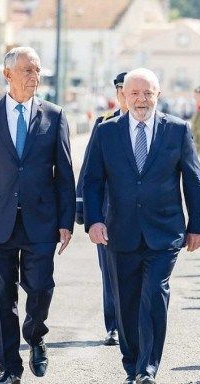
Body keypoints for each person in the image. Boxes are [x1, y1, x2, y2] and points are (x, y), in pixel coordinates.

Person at [83, 68, 200, 384]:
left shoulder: (177, 130)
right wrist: (93, 220)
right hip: (118, 232)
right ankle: (132, 365)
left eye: (148, 93)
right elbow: (92, 180)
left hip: (164, 232)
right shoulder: (106, 131)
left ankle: (148, 367)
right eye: (134, 94)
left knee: (154, 294)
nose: (141, 100)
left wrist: (197, 225)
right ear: (123, 96)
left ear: (157, 95)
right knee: (126, 301)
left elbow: (193, 179)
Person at [0, 47, 75, 384]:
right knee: (1, 298)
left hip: (41, 221)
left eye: (37, 70)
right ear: (7, 74)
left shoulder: (55, 116)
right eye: (27, 70)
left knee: (41, 287)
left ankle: (35, 334)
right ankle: (10, 367)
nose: (34, 77)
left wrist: (67, 221)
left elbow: (65, 174)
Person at [76, 72, 128, 346]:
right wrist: (82, 205)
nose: (126, 95)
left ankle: (133, 322)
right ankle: (114, 326)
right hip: (108, 211)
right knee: (110, 271)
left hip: (139, 212)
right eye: (121, 90)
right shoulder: (104, 123)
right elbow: (88, 169)